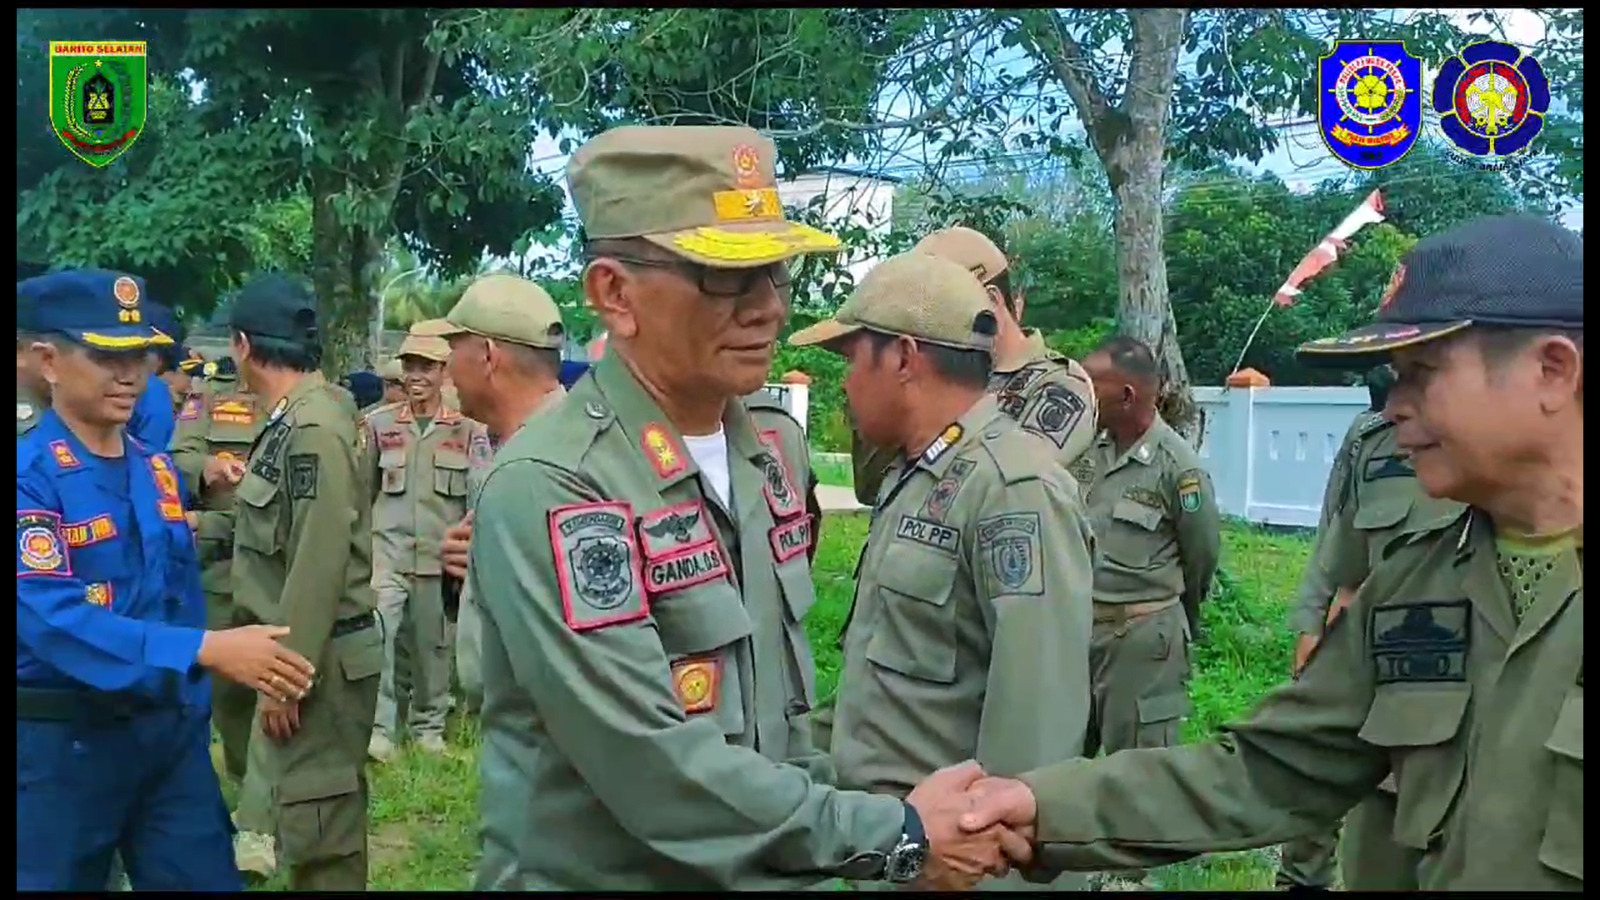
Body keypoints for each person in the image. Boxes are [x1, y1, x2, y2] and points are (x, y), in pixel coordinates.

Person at [467, 124, 1026, 890]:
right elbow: (655, 770)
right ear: (615, 294)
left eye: (777, 272)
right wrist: (895, 834)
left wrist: (889, 824)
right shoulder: (557, 482)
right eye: (726, 277)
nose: (767, 308)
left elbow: (775, 728)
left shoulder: (759, 456)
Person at [954, 214, 1584, 891]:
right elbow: (1269, 771)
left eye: (1422, 374)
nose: (1393, 407)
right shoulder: (1419, 579)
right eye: (1394, 377)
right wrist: (1042, 808)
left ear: (1552, 371)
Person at [789, 251, 1096, 891]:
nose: (845, 384)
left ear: (903, 358)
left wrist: (991, 868)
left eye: (853, 360)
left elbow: (1038, 727)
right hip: (899, 849)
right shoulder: (918, 474)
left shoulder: (1014, 490)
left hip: (961, 869)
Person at [16, 268, 316, 891]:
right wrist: (204, 650)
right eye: (105, 356)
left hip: (166, 738)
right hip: (63, 744)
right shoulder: (30, 477)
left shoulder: (154, 468)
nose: (130, 374)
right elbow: (53, 619)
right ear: (48, 361)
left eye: (140, 355)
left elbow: (177, 593)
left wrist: (191, 702)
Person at [1275, 365, 1463, 891]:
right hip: (1394, 716)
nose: (1397, 400)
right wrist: (1313, 635)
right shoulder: (1376, 440)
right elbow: (1342, 562)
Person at [227, 273, 382, 890]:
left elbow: (319, 557)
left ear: (242, 345)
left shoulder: (313, 427)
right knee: (304, 818)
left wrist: (285, 677)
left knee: (323, 833)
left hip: (320, 657)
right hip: (306, 650)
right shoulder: (296, 419)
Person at [849, 227, 1098, 506]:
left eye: (939, 308)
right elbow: (870, 486)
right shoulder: (930, 374)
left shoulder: (1059, 385)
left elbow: (1010, 489)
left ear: (991, 302)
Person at [434, 274, 571, 716]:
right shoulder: (521, 445)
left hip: (547, 727)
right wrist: (469, 569)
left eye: (453, 348)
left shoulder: (550, 460)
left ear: (488, 356)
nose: (446, 368)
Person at [168, 337, 278, 878]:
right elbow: (175, 458)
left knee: (277, 687)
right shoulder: (210, 396)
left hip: (279, 563)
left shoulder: (305, 399)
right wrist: (206, 466)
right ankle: (248, 786)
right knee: (228, 694)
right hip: (220, 565)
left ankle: (260, 822)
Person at [361, 326, 490, 761]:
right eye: (410, 366)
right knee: (379, 636)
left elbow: (477, 501)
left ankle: (428, 729)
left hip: (439, 560)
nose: (416, 375)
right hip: (388, 555)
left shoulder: (469, 431)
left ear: (443, 372)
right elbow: (363, 491)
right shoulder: (378, 425)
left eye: (427, 367)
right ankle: (380, 730)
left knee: (433, 648)